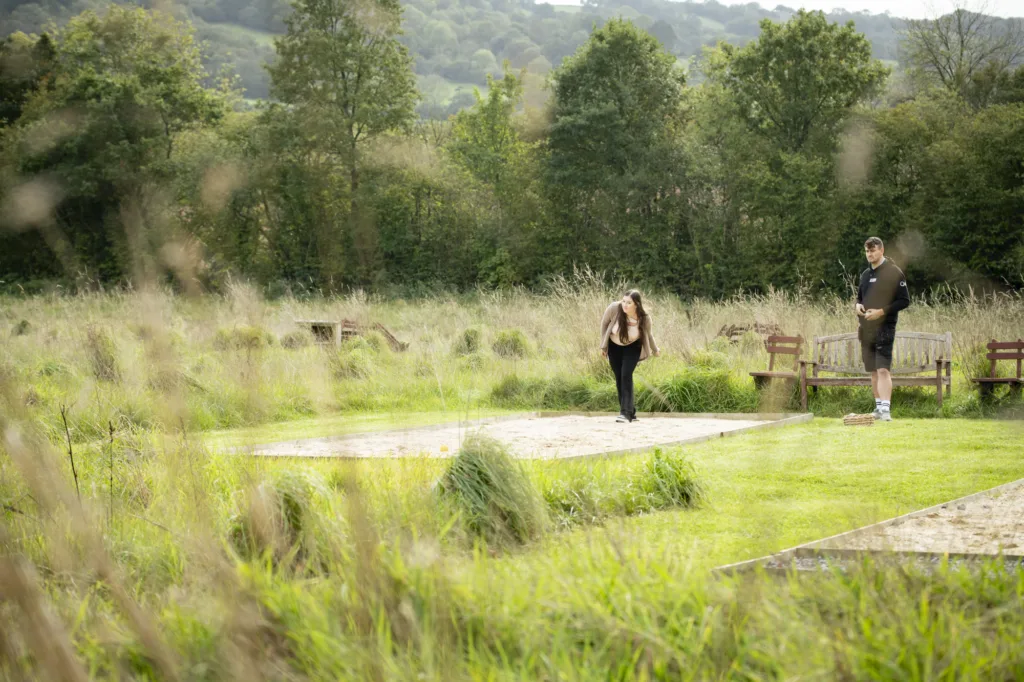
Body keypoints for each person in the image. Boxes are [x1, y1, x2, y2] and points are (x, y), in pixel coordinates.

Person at [856, 237, 910, 421]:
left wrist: (881, 312)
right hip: (866, 329)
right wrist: (857, 306)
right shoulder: (865, 274)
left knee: (883, 370)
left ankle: (886, 410)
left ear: (882, 250)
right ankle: (878, 408)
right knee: (873, 370)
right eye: (867, 251)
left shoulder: (894, 272)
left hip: (885, 328)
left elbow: (904, 301)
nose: (869, 254)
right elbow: (860, 297)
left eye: (873, 250)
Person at [599, 290, 660, 423]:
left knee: (626, 375)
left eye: (629, 303)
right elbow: (604, 324)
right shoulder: (614, 308)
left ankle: (625, 413)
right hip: (614, 346)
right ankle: (630, 412)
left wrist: (655, 350)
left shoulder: (644, 318)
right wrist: (603, 346)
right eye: (623, 301)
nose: (625, 305)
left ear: (636, 304)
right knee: (619, 377)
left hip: (633, 347)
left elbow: (649, 335)